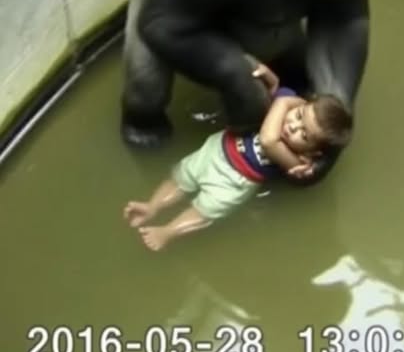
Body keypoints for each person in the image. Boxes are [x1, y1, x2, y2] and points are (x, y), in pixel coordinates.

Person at [123, 63, 353, 251]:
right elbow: (276, 90)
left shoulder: (299, 160)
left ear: (312, 152)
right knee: (181, 177)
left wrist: (290, 104)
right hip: (217, 148)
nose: (293, 126)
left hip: (235, 182)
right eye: (300, 115)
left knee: (205, 211)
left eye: (304, 134)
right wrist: (270, 78)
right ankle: (152, 206)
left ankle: (168, 232)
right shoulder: (287, 105)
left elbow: (269, 140)